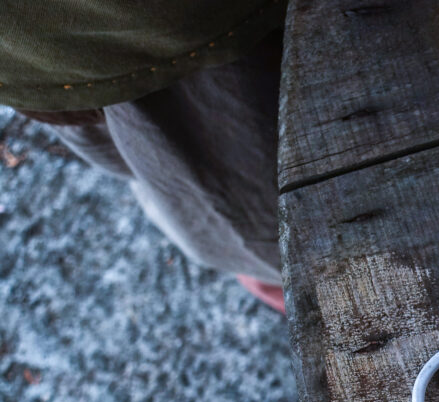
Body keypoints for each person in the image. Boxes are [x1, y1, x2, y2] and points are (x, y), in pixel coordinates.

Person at [0, 1, 288, 313]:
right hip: (44, 63)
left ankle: (291, 284)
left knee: (273, 217)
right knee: (216, 209)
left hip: (178, 35)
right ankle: (284, 284)